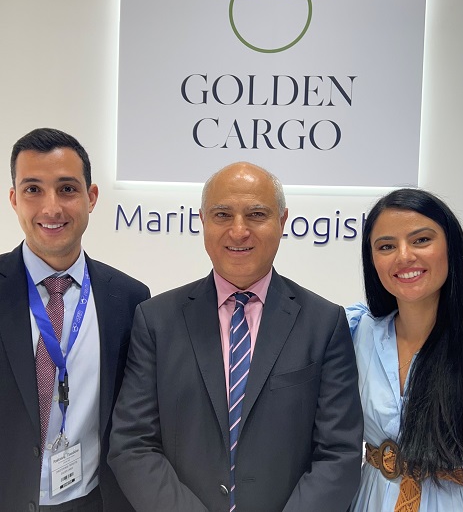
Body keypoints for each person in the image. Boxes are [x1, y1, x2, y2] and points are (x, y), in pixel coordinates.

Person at [108, 161, 363, 512]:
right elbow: (132, 445)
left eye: (256, 214)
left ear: (282, 221)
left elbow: (339, 454)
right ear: (202, 221)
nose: (239, 231)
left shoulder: (324, 323)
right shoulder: (156, 321)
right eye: (222, 215)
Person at [0, 128, 151, 512]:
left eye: (67, 189)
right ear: (14, 199)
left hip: (94, 501)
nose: (51, 208)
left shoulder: (129, 298)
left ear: (91, 196)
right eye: (33, 190)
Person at [347, 188, 463, 512]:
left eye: (421, 240)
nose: (404, 256)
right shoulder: (356, 331)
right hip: (371, 498)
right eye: (386, 246)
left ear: (451, 245)